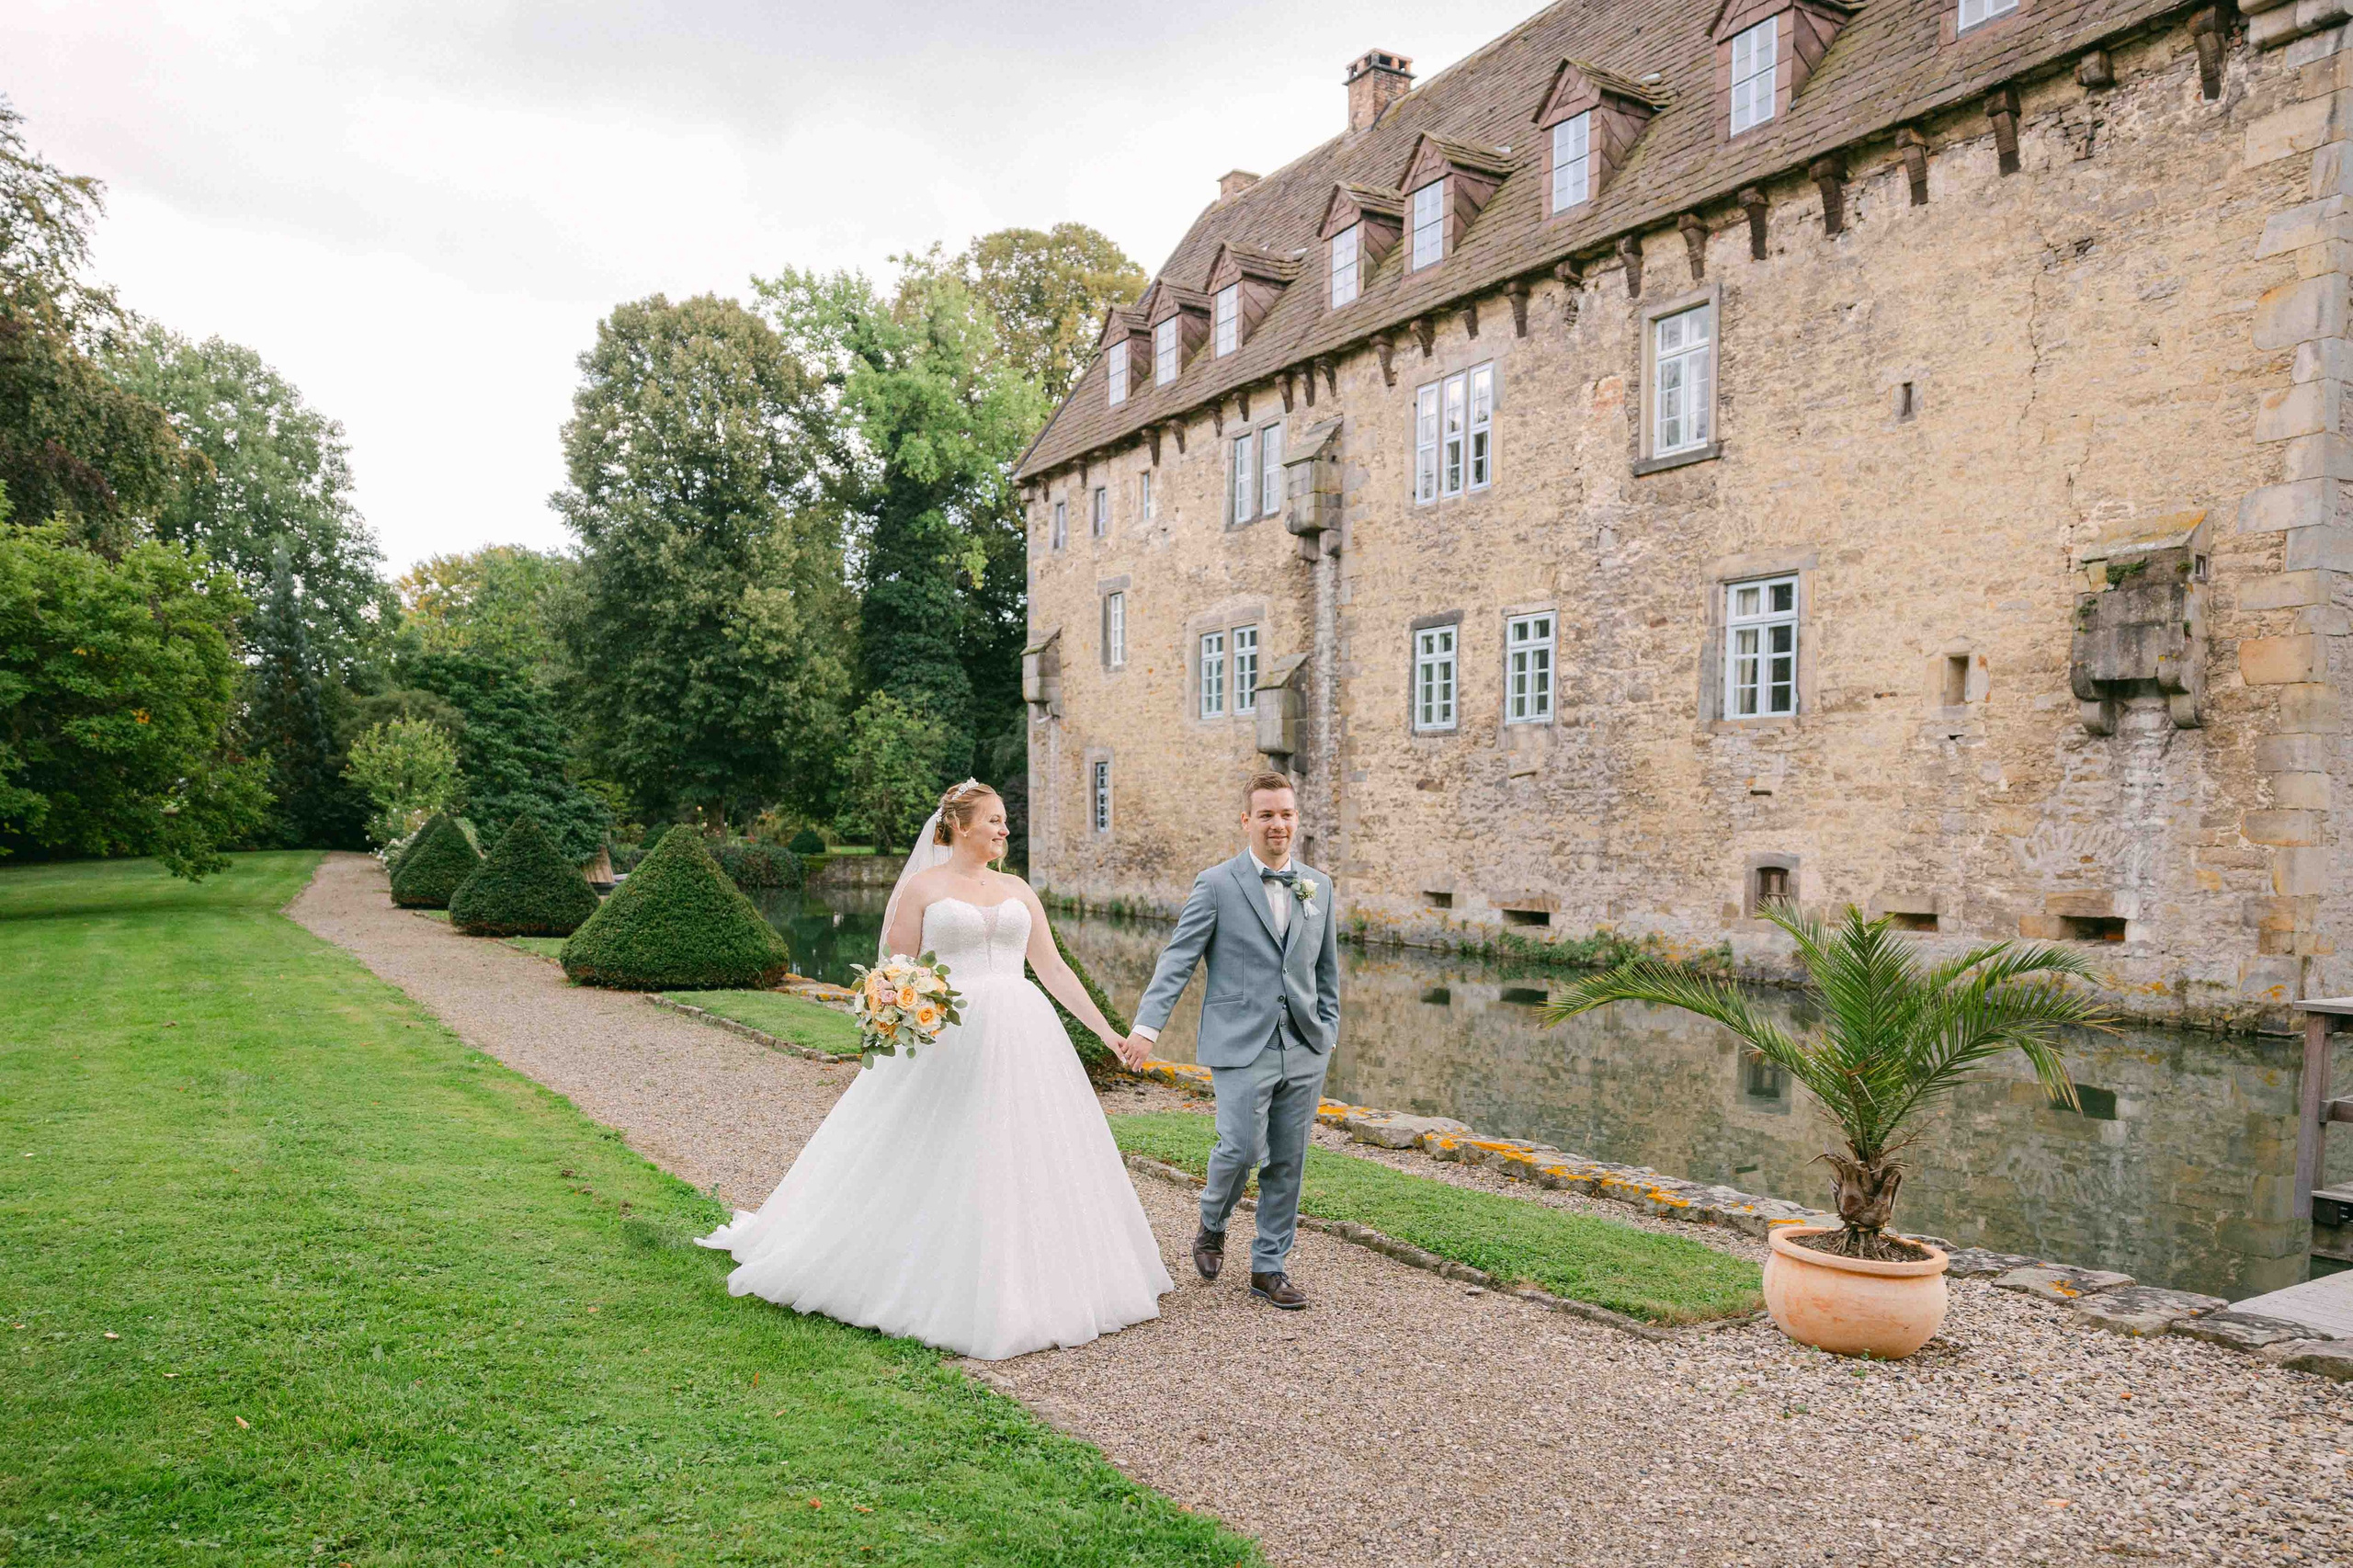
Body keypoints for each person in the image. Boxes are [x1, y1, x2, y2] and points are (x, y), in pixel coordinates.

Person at [698, 779, 1173, 1360]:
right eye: (996, 820)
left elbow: (1050, 968)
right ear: (961, 825)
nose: (1004, 830)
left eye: (1005, 823)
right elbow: (893, 970)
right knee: (937, 1146)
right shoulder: (923, 888)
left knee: (1025, 1151)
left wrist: (1108, 1032)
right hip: (952, 1034)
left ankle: (1037, 1278)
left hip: (1024, 1028)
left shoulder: (1018, 889)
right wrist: (899, 1005)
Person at [1122, 771, 1340, 1311]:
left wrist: (1327, 1032)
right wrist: (1146, 1029)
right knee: (1240, 1147)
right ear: (1247, 821)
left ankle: (1269, 1266)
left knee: (1288, 1160)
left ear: (1297, 819)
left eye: (1286, 814)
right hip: (1241, 1042)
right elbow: (1178, 960)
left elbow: (1328, 970)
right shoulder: (1217, 884)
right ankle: (1212, 1224)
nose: (1278, 824)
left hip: (1305, 1045)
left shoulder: (1320, 885)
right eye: (1266, 814)